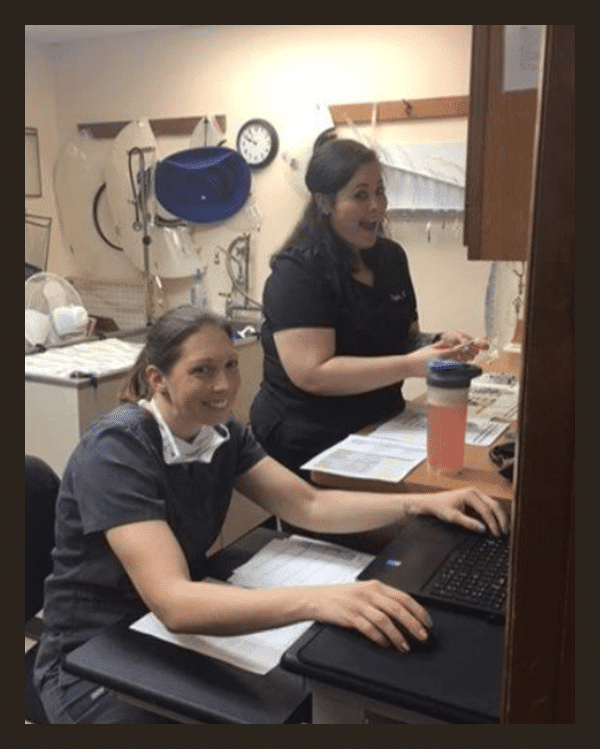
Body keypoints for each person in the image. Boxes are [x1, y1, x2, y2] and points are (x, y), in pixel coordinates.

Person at [33, 306, 508, 724]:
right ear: (157, 379)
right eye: (202, 371)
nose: (224, 385)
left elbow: (308, 504)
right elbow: (174, 601)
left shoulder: (220, 433)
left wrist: (419, 503)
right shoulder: (117, 449)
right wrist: (319, 600)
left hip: (164, 639)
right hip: (89, 655)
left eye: (230, 365)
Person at [250, 137, 488, 476]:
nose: (376, 206)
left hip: (380, 425)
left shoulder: (391, 258)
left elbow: (406, 339)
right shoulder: (299, 272)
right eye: (360, 195)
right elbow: (313, 373)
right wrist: (412, 365)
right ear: (325, 203)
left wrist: (439, 344)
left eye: (380, 191)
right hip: (308, 435)